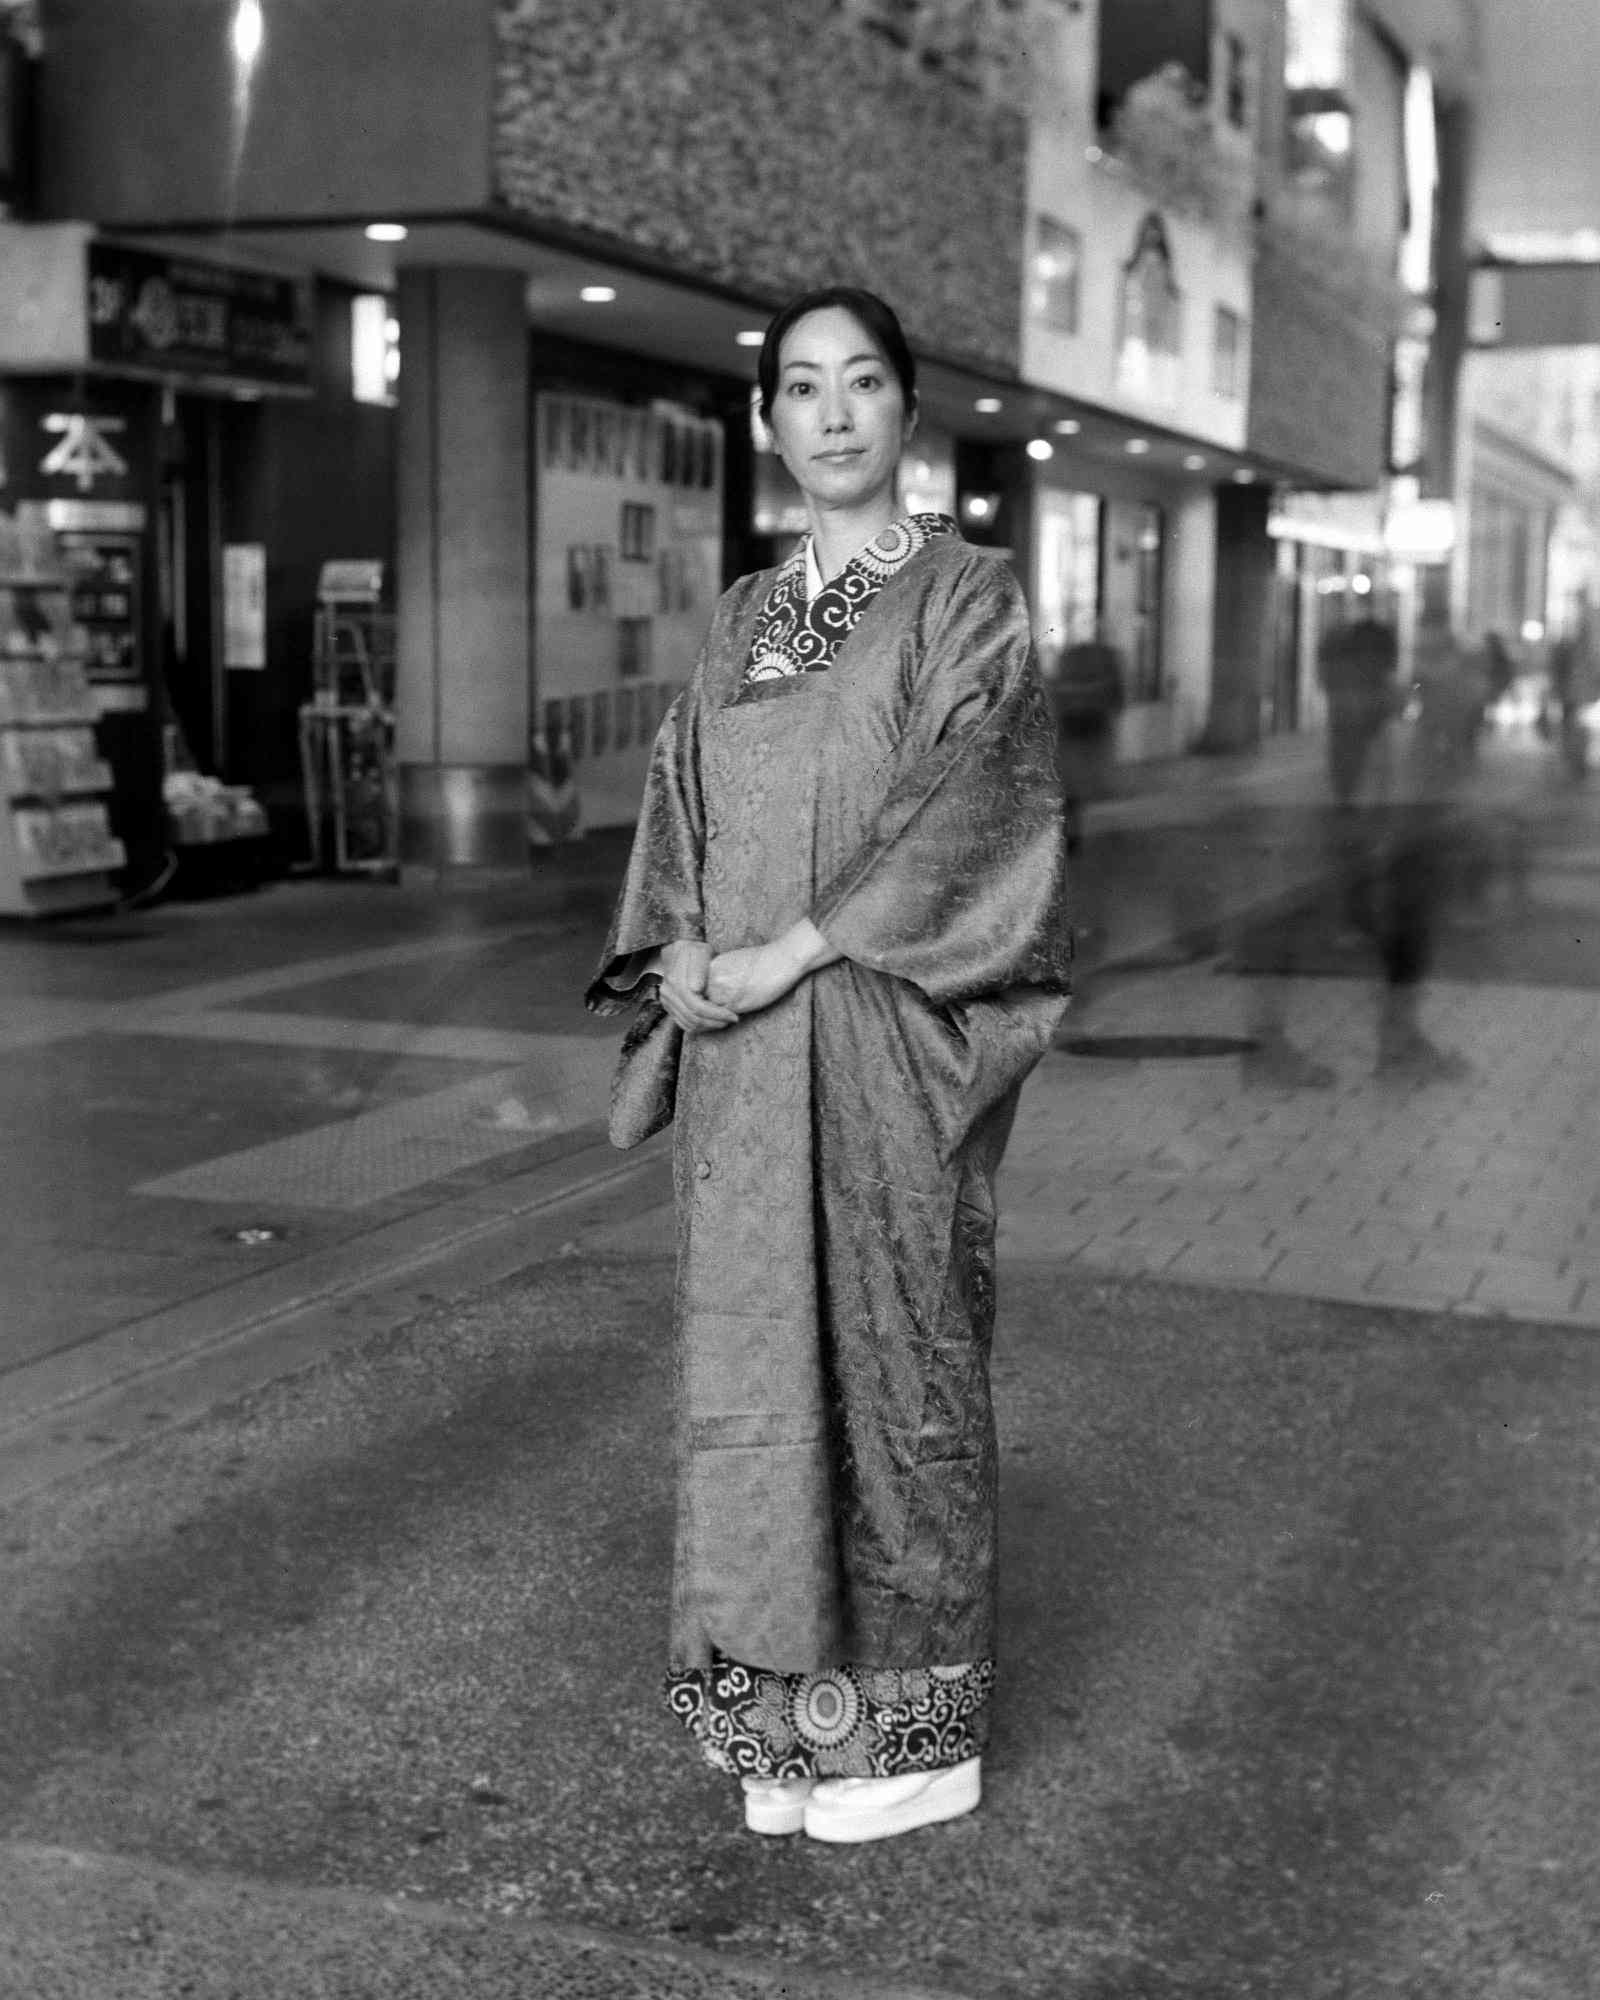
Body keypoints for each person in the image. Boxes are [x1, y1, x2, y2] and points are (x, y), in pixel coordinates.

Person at [585, 287, 1071, 1845]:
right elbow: (681, 799)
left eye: (864, 382)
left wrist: (797, 947)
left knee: (894, 1366)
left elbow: (972, 809)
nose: (836, 411)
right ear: (768, 420)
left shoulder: (967, 597)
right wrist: (677, 947)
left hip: (879, 1040)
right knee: (756, 1377)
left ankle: (916, 1739)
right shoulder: (741, 615)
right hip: (742, 1057)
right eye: (804, 387)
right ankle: (782, 1724)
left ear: (907, 408)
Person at [1053, 623, 1125, 855]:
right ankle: (1071, 832)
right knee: (1076, 785)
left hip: (1078, 726)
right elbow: (1116, 693)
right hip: (1084, 726)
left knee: (1072, 785)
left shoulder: (1070, 658)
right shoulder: (1104, 657)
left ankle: (1070, 832)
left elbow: (1058, 692)